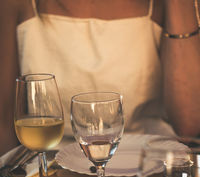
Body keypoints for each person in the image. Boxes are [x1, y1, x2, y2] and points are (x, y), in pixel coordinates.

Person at [0, 0, 200, 156]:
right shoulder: (15, 5)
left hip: (149, 168)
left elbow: (189, 123)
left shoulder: (159, 5)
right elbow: (4, 123)